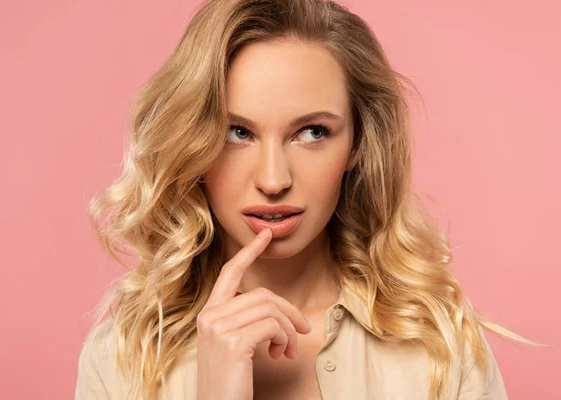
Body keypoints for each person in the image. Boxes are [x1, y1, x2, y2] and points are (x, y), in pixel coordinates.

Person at [75, 0, 537, 399]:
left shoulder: (438, 346)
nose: (274, 180)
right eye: (237, 133)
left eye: (312, 132)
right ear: (193, 144)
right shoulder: (122, 359)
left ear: (357, 143)